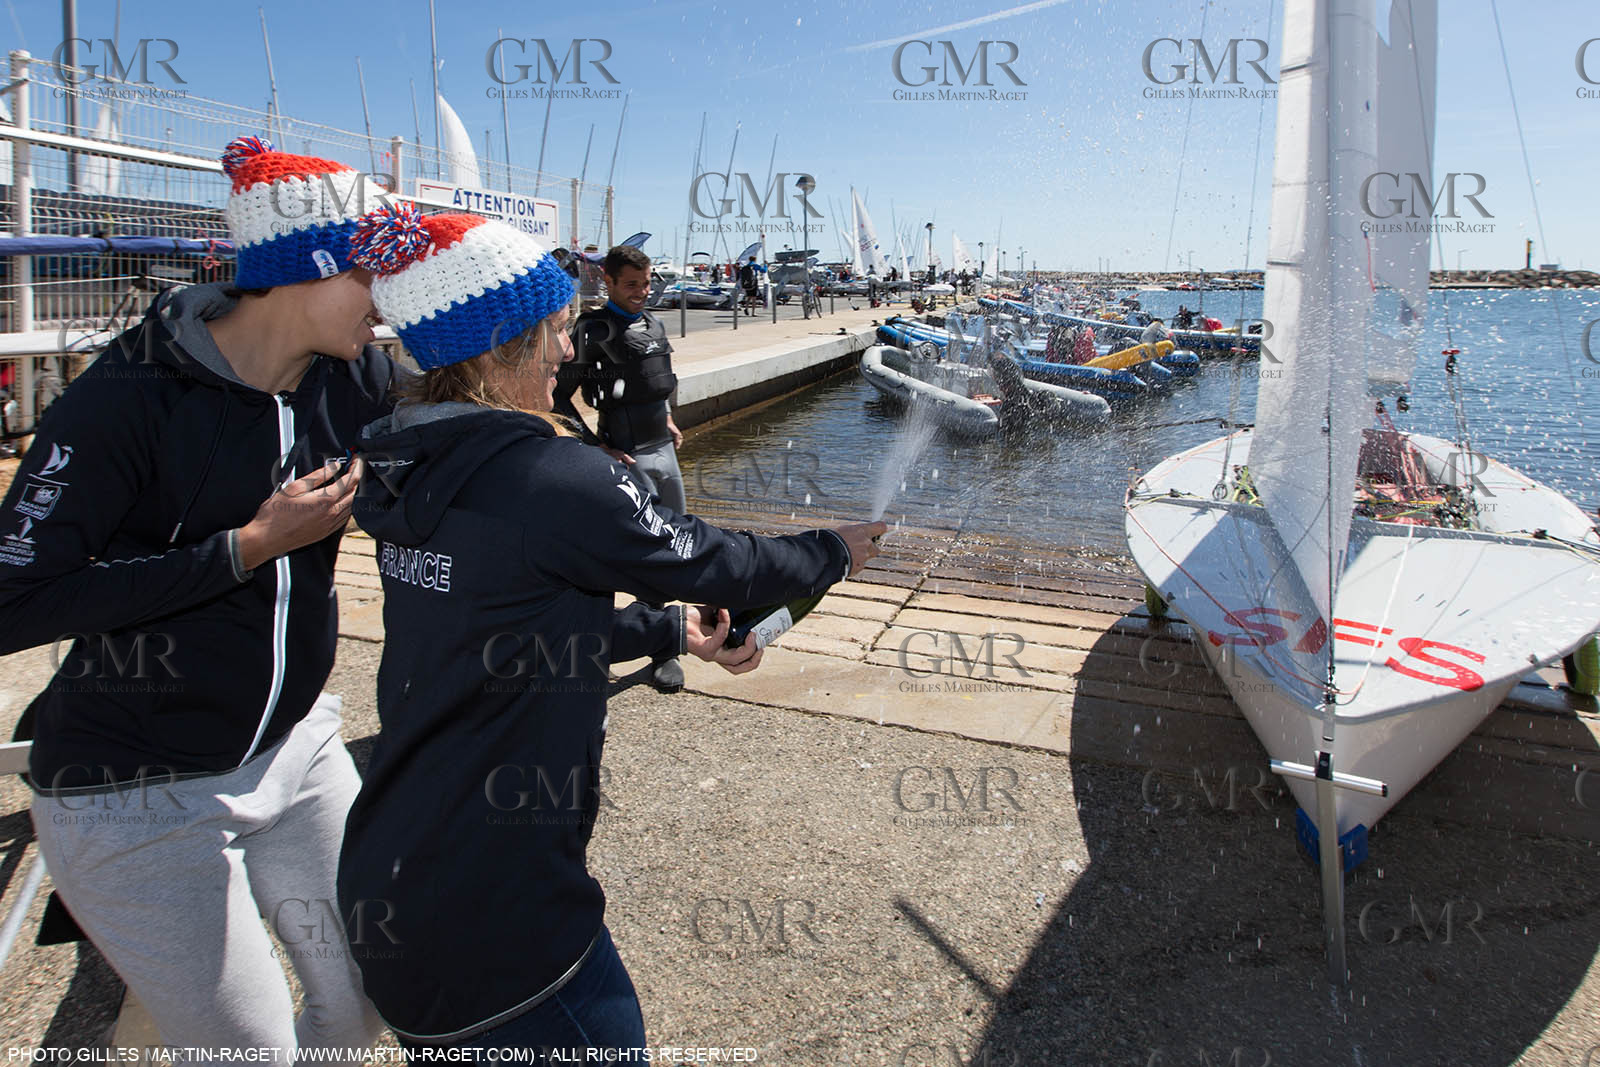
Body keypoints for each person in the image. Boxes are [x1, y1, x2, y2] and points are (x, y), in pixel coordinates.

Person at [339, 204, 886, 1053]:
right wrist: (831, 552)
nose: (569, 350)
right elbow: (714, 561)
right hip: (503, 925)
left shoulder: (403, 467)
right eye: (556, 329)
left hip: (398, 877)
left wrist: (670, 634)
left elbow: (510, 632)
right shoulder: (548, 472)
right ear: (497, 348)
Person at [0, 137, 397, 1058]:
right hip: (136, 787)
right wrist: (244, 550)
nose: (393, 296)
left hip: (294, 748)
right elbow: (14, 600)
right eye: (379, 268)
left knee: (368, 1001)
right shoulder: (129, 399)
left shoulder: (354, 376)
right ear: (311, 265)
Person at [554, 245, 690, 692]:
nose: (641, 292)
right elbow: (558, 401)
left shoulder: (654, 322)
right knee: (626, 552)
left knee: (673, 546)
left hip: (663, 451)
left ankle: (662, 648)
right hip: (627, 455)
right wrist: (596, 448)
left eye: (646, 283)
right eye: (631, 284)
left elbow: (658, 382)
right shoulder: (593, 328)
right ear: (608, 282)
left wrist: (667, 417)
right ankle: (603, 644)